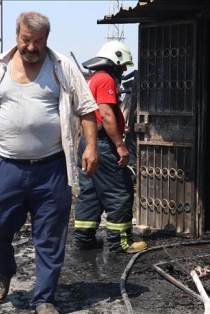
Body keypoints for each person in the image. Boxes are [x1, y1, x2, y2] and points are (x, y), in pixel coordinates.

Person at [0, 11, 98, 314]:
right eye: (27, 40)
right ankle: (5, 267)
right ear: (17, 36)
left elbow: (87, 109)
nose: (32, 47)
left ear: (46, 40)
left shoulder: (62, 68)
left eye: (38, 42)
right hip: (8, 165)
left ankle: (44, 298)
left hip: (51, 168)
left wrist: (91, 146)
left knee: (50, 236)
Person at [73, 41, 147, 254]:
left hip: (87, 143)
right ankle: (120, 242)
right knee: (120, 191)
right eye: (122, 65)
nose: (123, 70)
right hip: (104, 144)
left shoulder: (92, 78)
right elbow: (106, 115)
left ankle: (84, 238)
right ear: (113, 61)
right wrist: (120, 145)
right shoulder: (105, 79)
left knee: (91, 192)